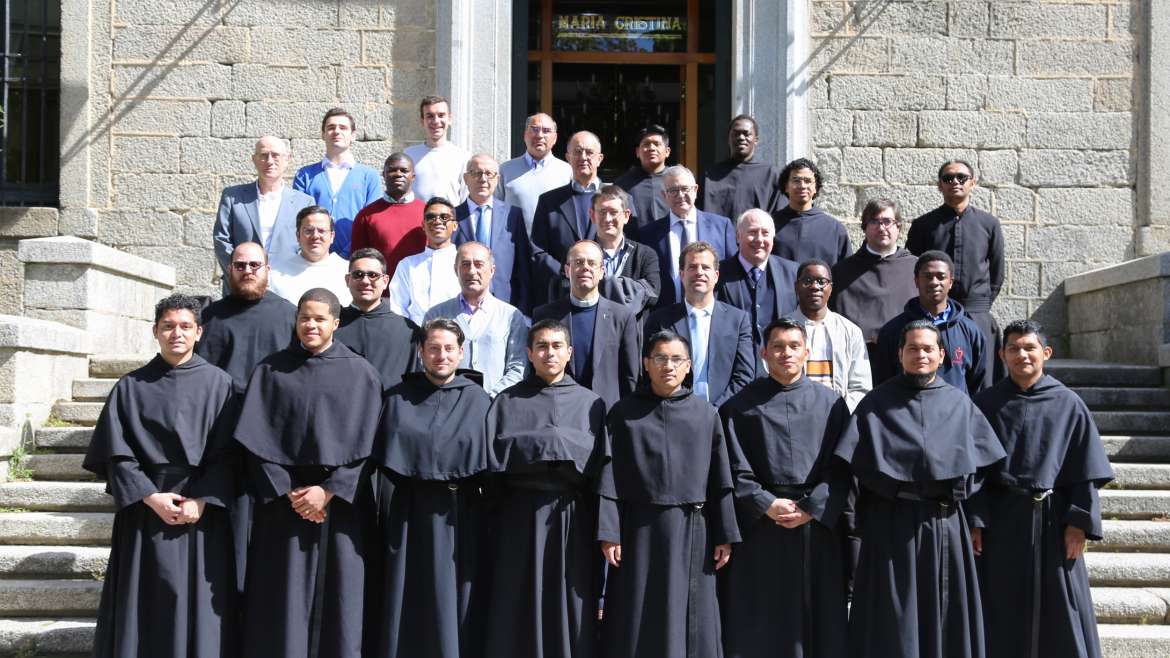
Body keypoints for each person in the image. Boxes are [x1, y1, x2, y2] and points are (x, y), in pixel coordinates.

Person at [834, 320, 1005, 658]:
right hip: (891, 523)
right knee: (892, 617)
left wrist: (958, 496)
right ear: (900, 354)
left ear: (942, 355)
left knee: (946, 613)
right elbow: (858, 466)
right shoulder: (876, 404)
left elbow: (983, 465)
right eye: (913, 348)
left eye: (928, 348)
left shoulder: (960, 404)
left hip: (945, 524)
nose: (921, 355)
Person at [84, 294, 239, 658]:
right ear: (155, 331)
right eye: (168, 326)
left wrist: (202, 500)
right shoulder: (130, 387)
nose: (177, 334)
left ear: (199, 332)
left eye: (186, 326)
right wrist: (150, 496)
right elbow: (116, 454)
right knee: (145, 604)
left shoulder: (221, 386)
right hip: (144, 513)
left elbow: (230, 455)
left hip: (201, 514)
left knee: (197, 604)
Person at [234, 288, 383, 658]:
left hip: (340, 506)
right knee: (281, 597)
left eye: (319, 318)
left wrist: (329, 491)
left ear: (336, 323)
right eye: (305, 317)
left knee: (340, 596)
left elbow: (372, 445)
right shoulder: (270, 370)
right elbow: (254, 441)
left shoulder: (360, 373)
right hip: (284, 505)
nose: (311, 325)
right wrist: (290, 491)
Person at [971, 320, 1113, 658]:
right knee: (1001, 603)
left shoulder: (1068, 404)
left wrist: (1079, 523)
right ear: (1002, 355)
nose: (1022, 355)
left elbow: (1085, 470)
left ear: (1045, 353)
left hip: (1054, 521)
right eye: (1014, 348)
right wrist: (976, 520)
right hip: (1003, 521)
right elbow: (974, 471)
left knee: (1061, 607)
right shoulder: (985, 404)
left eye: (1029, 347)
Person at [599, 329, 740, 658]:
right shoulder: (623, 414)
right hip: (637, 531)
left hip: (693, 529)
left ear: (689, 366)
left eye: (676, 359)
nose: (668, 366)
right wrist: (609, 532)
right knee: (636, 612)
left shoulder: (706, 415)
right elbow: (609, 479)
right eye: (660, 358)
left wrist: (725, 533)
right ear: (646, 364)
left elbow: (721, 478)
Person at [719, 318, 852, 658]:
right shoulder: (738, 407)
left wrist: (812, 507)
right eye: (777, 347)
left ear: (807, 352)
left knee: (817, 617)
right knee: (762, 620)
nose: (786, 354)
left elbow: (842, 468)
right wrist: (765, 502)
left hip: (816, 526)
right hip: (761, 526)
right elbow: (732, 467)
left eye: (794, 346)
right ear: (764, 353)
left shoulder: (831, 404)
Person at [482, 319, 608, 658]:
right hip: (517, 518)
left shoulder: (591, 404)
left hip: (571, 521)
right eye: (541, 346)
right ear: (529, 353)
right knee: (516, 599)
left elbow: (600, 473)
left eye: (556, 346)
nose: (549, 353)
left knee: (566, 599)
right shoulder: (507, 402)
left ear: (569, 352)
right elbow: (491, 469)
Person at [370, 318, 494, 658]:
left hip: (460, 515)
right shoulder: (397, 398)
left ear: (461, 353)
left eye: (449, 349)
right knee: (406, 592)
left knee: (453, 598)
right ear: (421, 352)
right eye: (434, 348)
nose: (441, 355)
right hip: (409, 513)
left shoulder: (478, 400)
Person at [907, 160, 1005, 379]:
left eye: (962, 177)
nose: (955, 182)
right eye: (948, 178)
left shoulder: (989, 224)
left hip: (976, 312)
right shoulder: (923, 225)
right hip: (933, 314)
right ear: (939, 186)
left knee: (983, 377)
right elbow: (912, 268)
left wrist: (982, 304)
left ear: (973, 183)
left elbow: (997, 272)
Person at [533, 240, 640, 409]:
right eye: (578, 262)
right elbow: (537, 371)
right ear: (567, 270)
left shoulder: (622, 317)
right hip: (558, 412)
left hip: (607, 415)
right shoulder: (544, 315)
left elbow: (630, 376)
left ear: (602, 271)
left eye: (592, 263)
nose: (585, 267)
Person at [644, 241, 753, 406]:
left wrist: (714, 412)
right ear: (682, 275)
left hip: (724, 417)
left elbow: (744, 375)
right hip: (674, 413)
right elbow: (651, 372)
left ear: (716, 276)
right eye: (692, 267)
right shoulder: (659, 320)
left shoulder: (738, 321)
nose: (699, 272)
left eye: (706, 267)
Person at [875, 251, 989, 395]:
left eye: (941, 277)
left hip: (955, 414)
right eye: (928, 276)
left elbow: (977, 383)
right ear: (916, 281)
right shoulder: (894, 330)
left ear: (951, 282)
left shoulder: (970, 330)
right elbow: (883, 382)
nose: (934, 282)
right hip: (905, 412)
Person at [424, 242, 530, 397]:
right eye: (465, 264)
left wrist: (489, 399)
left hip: (495, 408)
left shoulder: (511, 316)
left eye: (479, 264)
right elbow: (425, 362)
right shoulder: (436, 315)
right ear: (456, 270)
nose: (472, 271)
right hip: (447, 406)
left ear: (492, 270)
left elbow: (518, 368)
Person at [197, 242, 297, 396]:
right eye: (240, 265)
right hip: (222, 410)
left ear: (267, 270)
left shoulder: (291, 316)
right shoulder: (209, 317)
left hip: (271, 409)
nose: (247, 271)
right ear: (230, 270)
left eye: (255, 265)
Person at [213, 136, 314, 281]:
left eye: (275, 155)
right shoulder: (233, 197)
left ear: (287, 159)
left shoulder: (304, 202)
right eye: (264, 155)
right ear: (254, 159)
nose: (270, 161)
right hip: (243, 284)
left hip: (287, 282)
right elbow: (221, 240)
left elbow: (307, 244)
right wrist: (240, 272)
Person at [830, 198, 919, 364]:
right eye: (874, 222)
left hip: (904, 358)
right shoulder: (842, 272)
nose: (881, 228)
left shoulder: (916, 268)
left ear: (898, 227)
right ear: (864, 227)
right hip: (857, 358)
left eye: (887, 221)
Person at [716, 209, 799, 376]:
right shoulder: (718, 273)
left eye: (765, 233)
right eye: (752, 232)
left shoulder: (793, 273)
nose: (759, 239)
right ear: (738, 237)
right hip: (732, 373)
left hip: (780, 374)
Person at [293, 107, 383, 257]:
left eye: (343, 127)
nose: (336, 131)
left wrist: (348, 251)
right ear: (323, 134)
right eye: (331, 127)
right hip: (313, 257)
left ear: (353, 135)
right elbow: (299, 219)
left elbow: (370, 221)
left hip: (355, 257)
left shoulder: (369, 176)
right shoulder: (305, 175)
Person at [643, 165, 737, 308]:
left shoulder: (721, 227)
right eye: (673, 190)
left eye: (685, 189)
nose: (680, 195)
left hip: (712, 314)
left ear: (695, 190)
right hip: (665, 317)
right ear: (664, 195)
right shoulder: (649, 234)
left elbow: (732, 273)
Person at [453, 153, 536, 315]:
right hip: (461, 305)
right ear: (465, 178)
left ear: (497, 179)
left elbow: (523, 267)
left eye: (489, 174)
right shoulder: (452, 216)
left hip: (505, 305)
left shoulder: (513, 215)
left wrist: (524, 311)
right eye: (476, 173)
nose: (483, 179)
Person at [790, 259, 872, 411]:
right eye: (807, 281)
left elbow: (861, 387)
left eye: (822, 281)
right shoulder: (781, 330)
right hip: (794, 417)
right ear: (796, 286)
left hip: (838, 420)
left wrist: (840, 415)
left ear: (831, 288)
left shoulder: (850, 331)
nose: (815, 287)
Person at [336, 247, 418, 391]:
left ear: (385, 281)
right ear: (348, 280)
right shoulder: (332, 326)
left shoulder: (408, 332)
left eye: (373, 275)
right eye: (358, 275)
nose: (365, 281)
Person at [531, 131, 606, 283]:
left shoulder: (618, 200)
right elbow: (537, 249)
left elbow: (627, 245)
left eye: (589, 152)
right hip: (560, 289)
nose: (583, 157)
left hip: (604, 290)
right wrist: (567, 273)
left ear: (599, 159)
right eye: (577, 152)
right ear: (568, 158)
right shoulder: (549, 201)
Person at [350, 152, 427, 280]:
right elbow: (358, 260)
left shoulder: (427, 213)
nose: (398, 174)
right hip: (381, 294)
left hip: (420, 291)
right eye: (392, 170)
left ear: (413, 176)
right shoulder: (366, 215)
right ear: (384, 175)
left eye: (404, 170)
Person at [588, 184, 661, 317]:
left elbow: (653, 295)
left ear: (626, 215)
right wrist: (631, 289)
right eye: (602, 212)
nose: (608, 218)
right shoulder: (578, 254)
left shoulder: (645, 255)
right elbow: (567, 290)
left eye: (614, 212)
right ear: (592, 215)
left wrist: (604, 285)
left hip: (632, 334)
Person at [387, 196, 461, 324]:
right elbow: (397, 307)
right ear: (423, 225)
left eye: (444, 217)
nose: (437, 221)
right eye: (431, 217)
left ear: (454, 225)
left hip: (456, 335)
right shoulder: (407, 264)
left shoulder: (465, 263)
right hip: (415, 336)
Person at [497, 112, 573, 234]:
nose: (540, 135)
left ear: (555, 138)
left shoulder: (567, 171)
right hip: (515, 245)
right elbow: (495, 210)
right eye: (535, 129)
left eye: (546, 131)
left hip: (553, 246)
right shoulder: (505, 170)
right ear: (525, 135)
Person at [771, 158, 851, 267]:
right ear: (786, 187)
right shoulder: (770, 225)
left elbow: (846, 271)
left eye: (808, 181)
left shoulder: (834, 229)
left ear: (815, 188)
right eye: (796, 180)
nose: (802, 186)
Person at [269, 206, 353, 306]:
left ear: (332, 236)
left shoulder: (349, 272)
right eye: (308, 231)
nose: (315, 236)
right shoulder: (275, 273)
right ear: (298, 236)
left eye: (322, 231)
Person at [702, 114, 782, 219]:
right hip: (719, 234)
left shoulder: (771, 175)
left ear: (756, 140)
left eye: (746, 134)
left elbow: (780, 216)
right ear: (728, 138)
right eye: (736, 134)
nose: (741, 138)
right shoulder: (710, 175)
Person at [404, 95, 471, 204]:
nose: (436, 121)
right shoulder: (409, 155)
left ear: (449, 119)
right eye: (430, 116)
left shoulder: (463, 157)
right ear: (422, 121)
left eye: (441, 115)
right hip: (416, 220)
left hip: (450, 219)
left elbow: (466, 198)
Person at [614, 124, 671, 237]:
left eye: (657, 144)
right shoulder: (622, 184)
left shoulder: (677, 180)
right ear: (637, 152)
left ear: (667, 151)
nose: (651, 148)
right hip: (636, 247)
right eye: (646, 144)